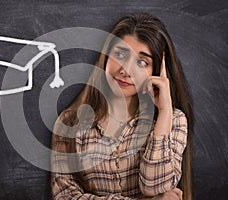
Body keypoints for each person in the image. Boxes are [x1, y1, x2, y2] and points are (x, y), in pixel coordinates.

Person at [51, 12, 194, 200]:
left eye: (142, 62)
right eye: (119, 54)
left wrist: (164, 112)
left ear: (157, 70)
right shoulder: (70, 122)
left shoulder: (173, 120)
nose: (125, 70)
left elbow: (156, 187)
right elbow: (65, 196)